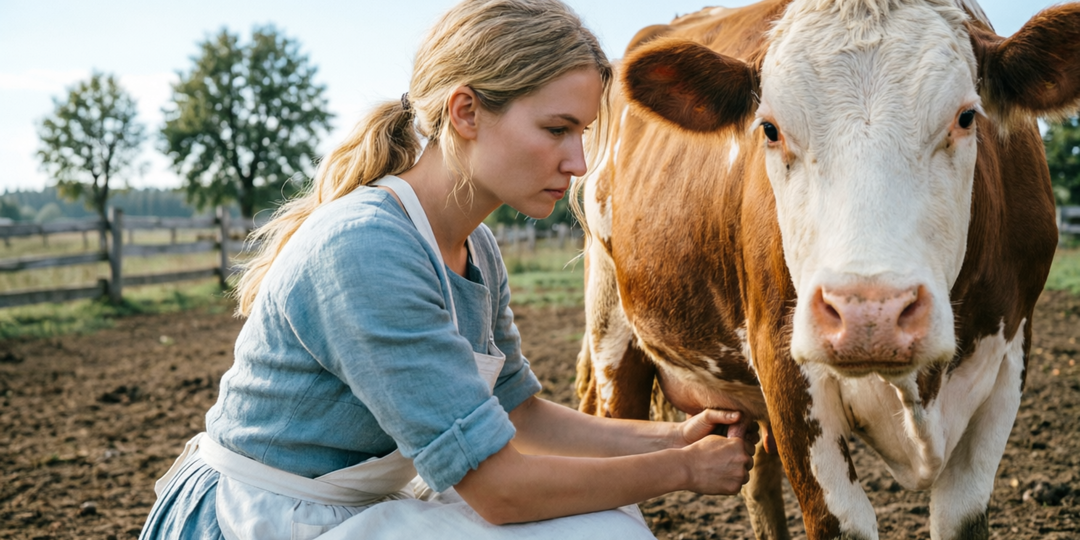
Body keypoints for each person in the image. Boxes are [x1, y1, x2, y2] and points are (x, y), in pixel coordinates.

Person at [138, 1, 757, 538]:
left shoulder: (476, 248)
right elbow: (501, 490)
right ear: (465, 112)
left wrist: (678, 438)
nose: (579, 163)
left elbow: (520, 415)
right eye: (557, 129)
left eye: (585, 133)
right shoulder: (366, 249)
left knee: (608, 520)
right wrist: (684, 471)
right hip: (259, 518)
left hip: (349, 505)